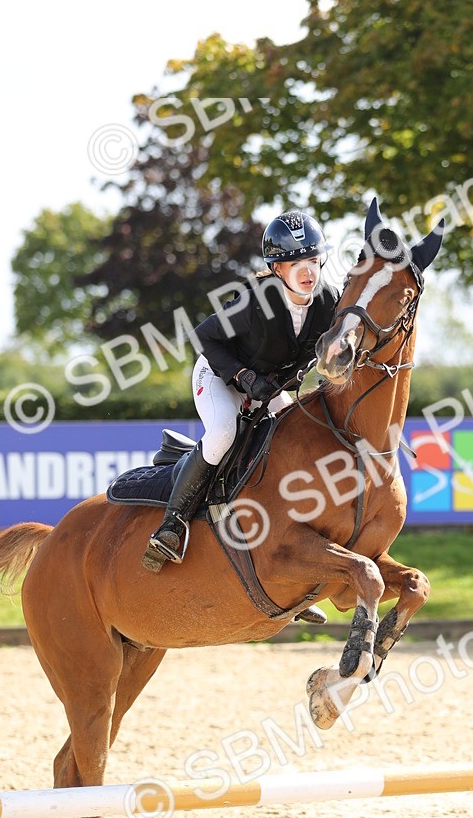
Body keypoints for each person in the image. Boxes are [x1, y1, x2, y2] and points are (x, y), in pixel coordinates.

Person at [142, 211, 339, 619]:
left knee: (295, 445)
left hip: (270, 390)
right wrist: (245, 377)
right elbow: (204, 337)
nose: (308, 271)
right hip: (220, 377)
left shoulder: (328, 302)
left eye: (314, 260)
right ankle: (172, 526)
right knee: (222, 435)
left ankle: (288, 567)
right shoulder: (255, 301)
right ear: (276, 268)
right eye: (296, 263)